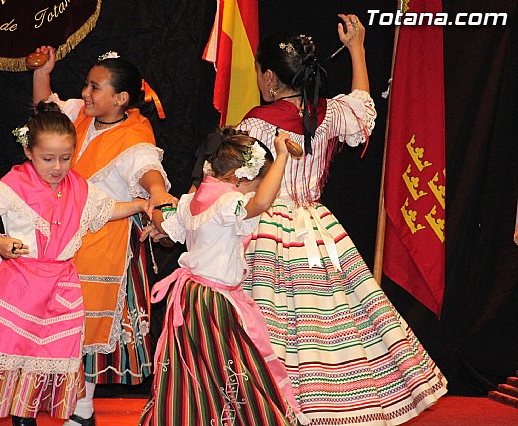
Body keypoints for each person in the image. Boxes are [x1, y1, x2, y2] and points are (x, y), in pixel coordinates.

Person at [233, 14, 448, 424]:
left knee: (274, 320)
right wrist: (358, 50)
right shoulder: (327, 114)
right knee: (333, 320)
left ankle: (272, 405)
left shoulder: (257, 123)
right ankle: (335, 403)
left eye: (261, 72)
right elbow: (363, 105)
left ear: (270, 79)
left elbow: (243, 184)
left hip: (268, 228)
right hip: (317, 226)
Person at [0, 102, 149, 426]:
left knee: (48, 358)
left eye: (66, 158)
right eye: (48, 158)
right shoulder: (16, 184)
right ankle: (0, 414)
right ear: (29, 151)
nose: (57, 167)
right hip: (19, 285)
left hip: (61, 288)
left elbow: (105, 209)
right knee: (10, 354)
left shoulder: (79, 187)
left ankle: (30, 412)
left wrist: (140, 204)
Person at [33, 47, 177, 426]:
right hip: (64, 238)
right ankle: (54, 404)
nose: (85, 93)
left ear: (121, 98)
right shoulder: (80, 115)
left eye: (94, 88)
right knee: (58, 324)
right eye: (86, 84)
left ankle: (81, 411)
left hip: (106, 243)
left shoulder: (134, 136)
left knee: (87, 327)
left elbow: (147, 168)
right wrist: (42, 73)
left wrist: (158, 193)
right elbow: (45, 115)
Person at [140, 128, 307, 425]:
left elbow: (168, 226)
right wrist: (281, 156)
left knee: (196, 366)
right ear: (240, 178)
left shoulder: (195, 198)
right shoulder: (227, 202)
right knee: (231, 365)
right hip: (213, 302)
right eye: (255, 184)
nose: (255, 192)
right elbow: (261, 203)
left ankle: (193, 416)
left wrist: (154, 220)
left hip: (192, 295)